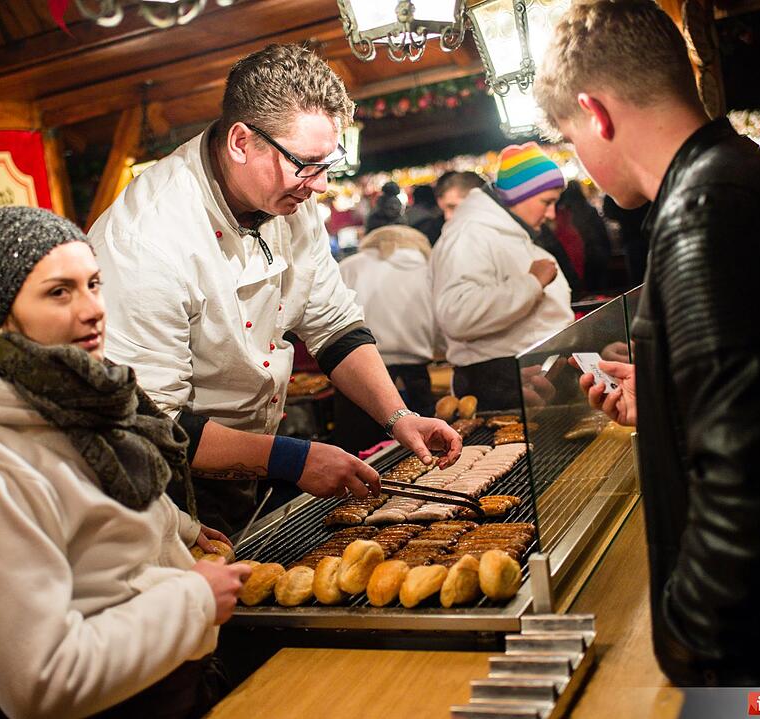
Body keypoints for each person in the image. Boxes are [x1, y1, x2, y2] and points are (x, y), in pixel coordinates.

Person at [536, 0, 760, 685]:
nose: (578, 160)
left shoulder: (708, 210)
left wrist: (685, 638)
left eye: (567, 136)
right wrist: (678, 398)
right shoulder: (748, 179)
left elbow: (750, 491)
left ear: (596, 112)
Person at [88, 44, 461, 534]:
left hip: (248, 458)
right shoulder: (147, 239)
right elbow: (152, 422)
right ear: (241, 142)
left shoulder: (290, 197)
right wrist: (292, 459)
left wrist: (399, 417)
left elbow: (334, 326)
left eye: (329, 163)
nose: (322, 185)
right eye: (307, 163)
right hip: (165, 484)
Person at [0, 207, 255, 719]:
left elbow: (84, 502)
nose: (92, 309)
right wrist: (194, 600)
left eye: (93, 284)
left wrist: (173, 526)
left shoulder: (63, 396)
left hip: (170, 685)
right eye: (58, 292)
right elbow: (40, 683)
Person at [431, 142, 575, 411]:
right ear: (520, 195)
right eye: (547, 201)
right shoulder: (470, 234)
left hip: (529, 377)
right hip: (499, 382)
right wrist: (532, 283)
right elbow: (457, 313)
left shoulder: (508, 235)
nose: (552, 213)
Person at [336, 226, 442, 452]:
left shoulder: (350, 267)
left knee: (360, 452)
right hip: (414, 375)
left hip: (358, 373)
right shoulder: (428, 269)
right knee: (423, 453)